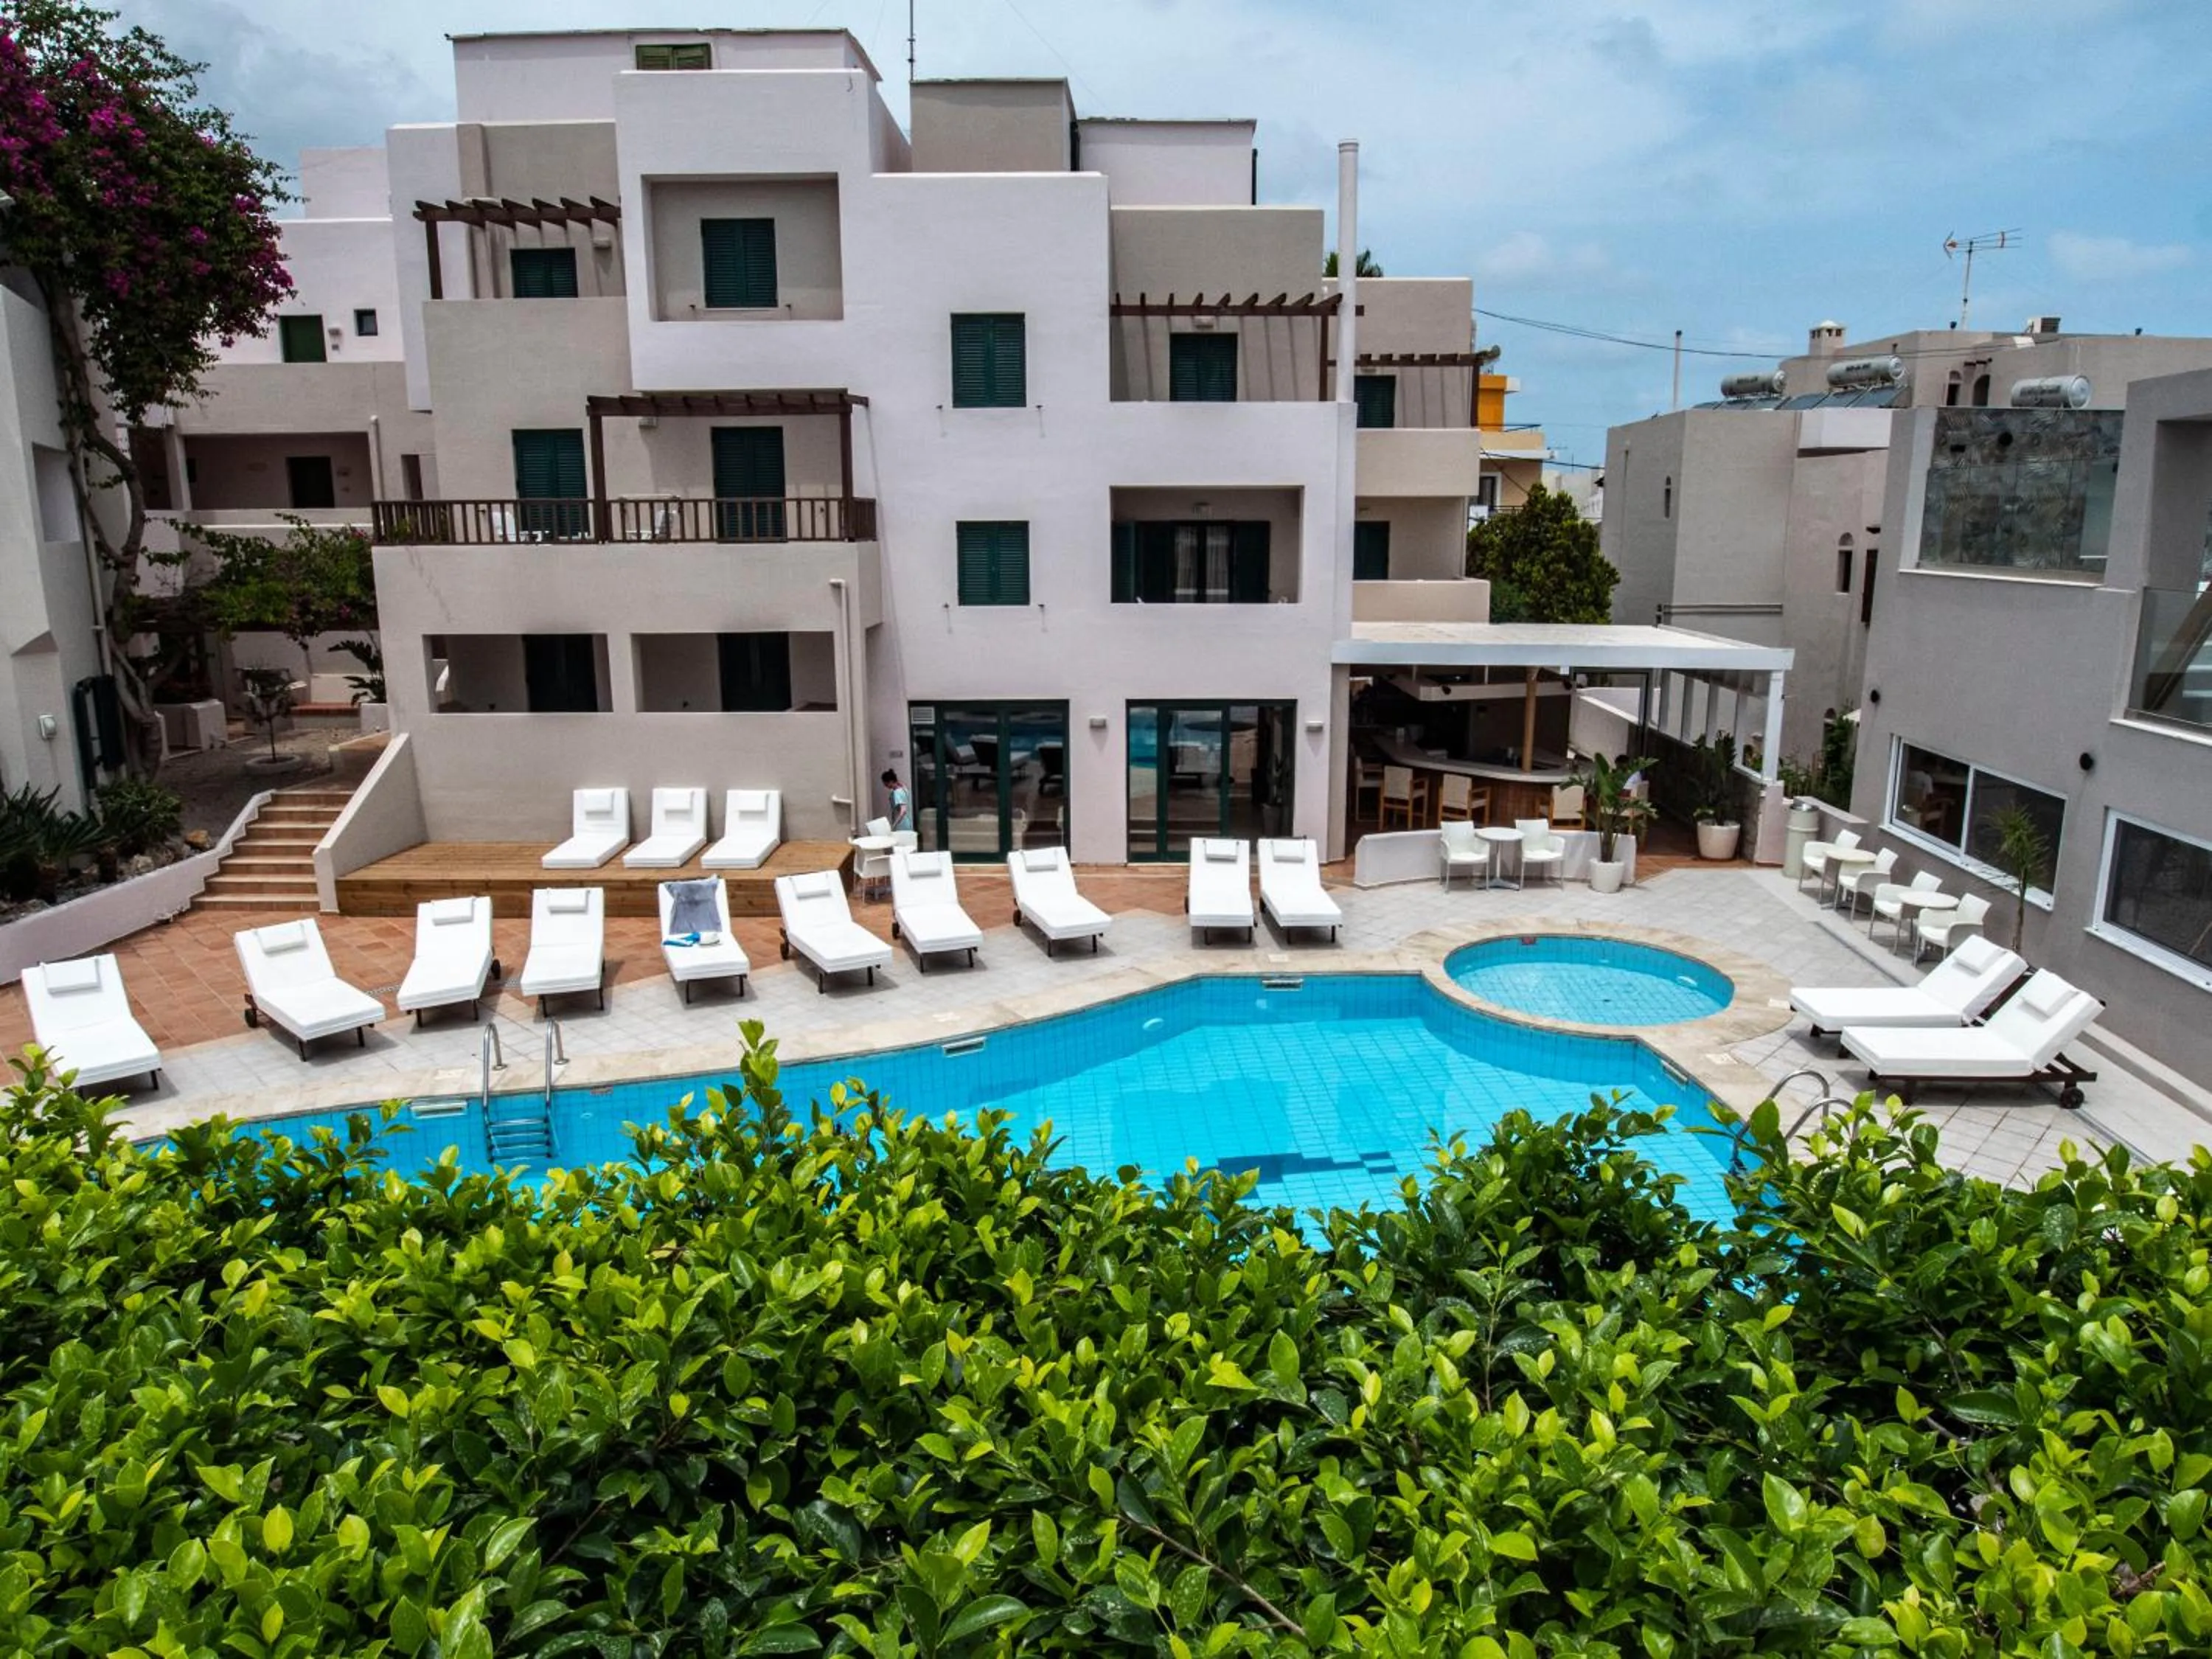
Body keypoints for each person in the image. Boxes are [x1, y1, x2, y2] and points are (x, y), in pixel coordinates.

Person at [882, 768, 912, 832]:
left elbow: (903, 811)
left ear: (891, 782)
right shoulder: (904, 789)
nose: (885, 786)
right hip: (908, 822)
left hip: (901, 824)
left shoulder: (897, 793)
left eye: (886, 784)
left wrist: (894, 826)